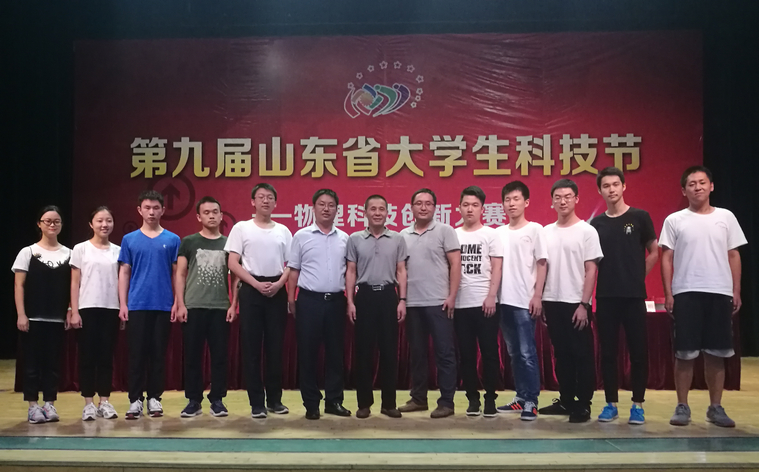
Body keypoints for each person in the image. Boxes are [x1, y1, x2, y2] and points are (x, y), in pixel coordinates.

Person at [660, 166, 747, 428]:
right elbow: (666, 257)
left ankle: (715, 407)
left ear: (711, 186)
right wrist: (668, 292)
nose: (697, 187)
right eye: (691, 184)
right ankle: (682, 406)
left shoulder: (726, 217)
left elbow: (733, 254)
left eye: (702, 182)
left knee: (716, 353)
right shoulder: (675, 220)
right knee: (684, 353)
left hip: (719, 292)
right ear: (683, 190)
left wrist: (736, 290)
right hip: (686, 292)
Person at [590, 167, 658, 425]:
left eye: (615, 184)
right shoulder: (596, 224)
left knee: (638, 351)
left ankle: (638, 405)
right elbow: (591, 261)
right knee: (608, 353)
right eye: (606, 186)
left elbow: (654, 251)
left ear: (624, 186)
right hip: (606, 296)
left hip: (633, 296)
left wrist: (638, 276)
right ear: (600, 191)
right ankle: (611, 404)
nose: (612, 189)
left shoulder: (640, 217)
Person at [539, 179, 603, 423]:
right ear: (552, 201)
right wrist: (542, 300)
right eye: (558, 197)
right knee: (561, 354)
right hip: (552, 300)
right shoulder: (546, 232)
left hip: (576, 303)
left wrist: (584, 304)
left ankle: (583, 403)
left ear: (576, 199)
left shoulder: (587, 231)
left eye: (567, 196)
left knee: (581, 354)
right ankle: (566, 399)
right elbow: (542, 268)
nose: (562, 201)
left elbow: (591, 270)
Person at [226, 184, 292, 418]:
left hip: (276, 291)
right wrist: (255, 284)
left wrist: (279, 284)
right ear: (252, 202)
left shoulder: (283, 230)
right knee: (252, 349)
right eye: (261, 197)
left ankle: (275, 400)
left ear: (276, 202)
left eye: (270, 197)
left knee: (275, 348)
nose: (266, 201)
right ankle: (257, 403)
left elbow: (292, 264)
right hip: (251, 290)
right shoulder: (241, 228)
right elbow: (233, 263)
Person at [287, 189, 351, 420]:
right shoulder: (301, 236)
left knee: (335, 353)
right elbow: (294, 270)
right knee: (308, 353)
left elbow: (350, 271)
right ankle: (311, 404)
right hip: (309, 301)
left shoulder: (345, 238)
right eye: (322, 204)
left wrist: (349, 300)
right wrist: (291, 299)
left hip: (336, 302)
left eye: (331, 205)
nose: (326, 208)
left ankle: (334, 401)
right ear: (313, 208)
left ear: (337, 209)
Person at [399, 188, 461, 419]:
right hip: (413, 303)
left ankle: (447, 402)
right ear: (411, 208)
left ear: (435, 207)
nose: (423, 207)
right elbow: (400, 269)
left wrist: (452, 296)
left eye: (428, 203)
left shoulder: (445, 231)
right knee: (417, 353)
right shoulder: (403, 235)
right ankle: (418, 398)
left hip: (439, 302)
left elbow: (456, 264)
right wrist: (402, 299)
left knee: (444, 353)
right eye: (419, 203)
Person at [118, 190, 181, 420]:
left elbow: (177, 273)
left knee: (158, 354)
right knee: (136, 354)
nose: (151, 212)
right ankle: (135, 400)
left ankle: (155, 397)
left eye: (156, 208)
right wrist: (123, 303)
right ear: (139, 210)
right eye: (147, 208)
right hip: (137, 305)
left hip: (163, 305)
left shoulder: (172, 239)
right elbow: (124, 272)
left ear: (163, 210)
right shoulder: (129, 239)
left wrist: (177, 301)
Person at [346, 195, 408, 419]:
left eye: (382, 209)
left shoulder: (397, 239)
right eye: (373, 209)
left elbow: (401, 270)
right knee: (363, 352)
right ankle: (364, 403)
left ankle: (389, 404)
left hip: (388, 297)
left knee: (389, 352)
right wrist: (350, 301)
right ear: (365, 212)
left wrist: (402, 300)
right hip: (364, 297)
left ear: (387, 212)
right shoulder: (355, 239)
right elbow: (351, 271)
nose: (377, 213)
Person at [175, 197, 238, 418]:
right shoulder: (189, 242)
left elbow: (236, 277)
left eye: (215, 212)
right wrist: (180, 303)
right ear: (198, 216)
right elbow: (180, 274)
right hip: (193, 306)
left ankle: (217, 400)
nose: (211, 216)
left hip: (220, 307)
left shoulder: (229, 244)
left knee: (220, 357)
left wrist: (234, 304)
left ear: (221, 215)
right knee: (192, 356)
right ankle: (194, 400)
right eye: (207, 212)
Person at [12, 205, 71, 424]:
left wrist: (69, 310)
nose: (52, 225)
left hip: (57, 319)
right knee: (32, 364)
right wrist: (21, 314)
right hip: (33, 318)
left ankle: (49, 404)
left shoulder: (69, 254)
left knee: (52, 364)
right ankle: (33, 406)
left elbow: (72, 286)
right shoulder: (27, 252)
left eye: (56, 221)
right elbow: (19, 286)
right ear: (39, 224)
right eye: (48, 221)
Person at [495, 181, 547, 421]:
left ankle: (532, 401)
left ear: (526, 202)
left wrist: (537, 295)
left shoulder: (535, 230)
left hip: (525, 301)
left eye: (516, 199)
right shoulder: (498, 232)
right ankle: (520, 397)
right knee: (514, 352)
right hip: (503, 301)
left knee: (527, 353)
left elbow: (542, 263)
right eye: (507, 200)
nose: (511, 204)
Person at [454, 186, 503, 418]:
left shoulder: (491, 234)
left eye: (475, 205)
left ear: (483, 209)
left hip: (486, 304)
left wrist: (492, 296)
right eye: (466, 205)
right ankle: (472, 399)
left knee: (490, 353)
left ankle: (490, 398)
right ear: (459, 207)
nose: (470, 209)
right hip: (460, 305)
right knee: (466, 355)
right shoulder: (453, 234)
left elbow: (497, 267)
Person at [69, 206, 121, 421]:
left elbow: (122, 282)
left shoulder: (118, 251)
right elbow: (74, 282)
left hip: (111, 308)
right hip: (87, 308)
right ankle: (88, 403)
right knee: (87, 357)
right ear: (91, 224)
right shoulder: (80, 249)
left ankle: (105, 402)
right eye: (99, 220)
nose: (104, 225)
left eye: (108, 220)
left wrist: (123, 308)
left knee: (106, 357)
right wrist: (73, 310)